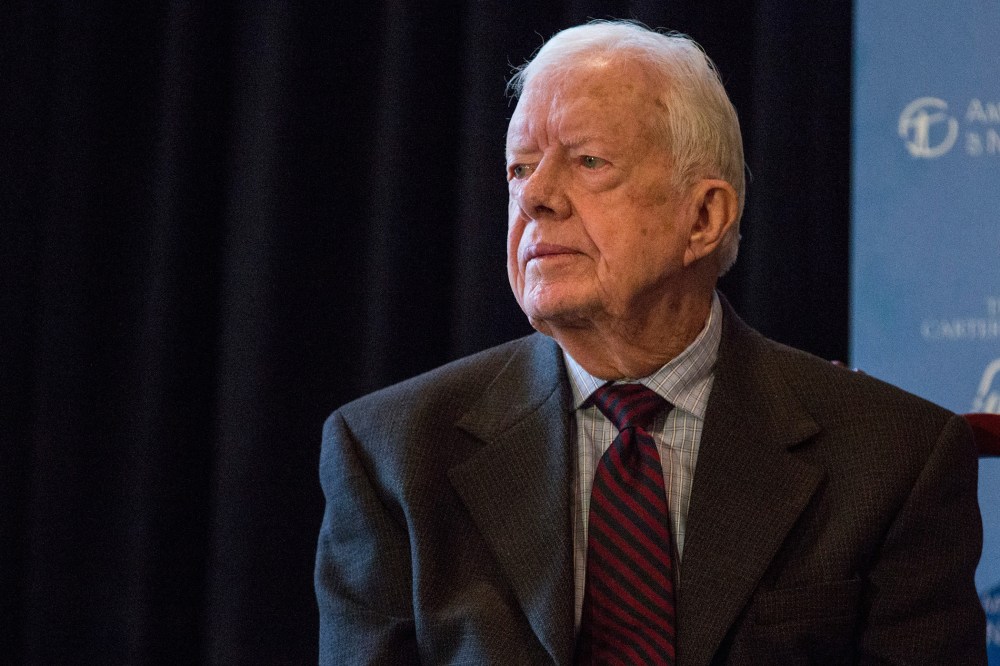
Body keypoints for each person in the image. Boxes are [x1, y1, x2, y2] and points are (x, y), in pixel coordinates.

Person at [315, 20, 986, 664]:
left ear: (703, 216)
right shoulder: (393, 455)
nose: (537, 197)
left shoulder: (892, 461)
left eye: (588, 161)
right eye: (520, 167)